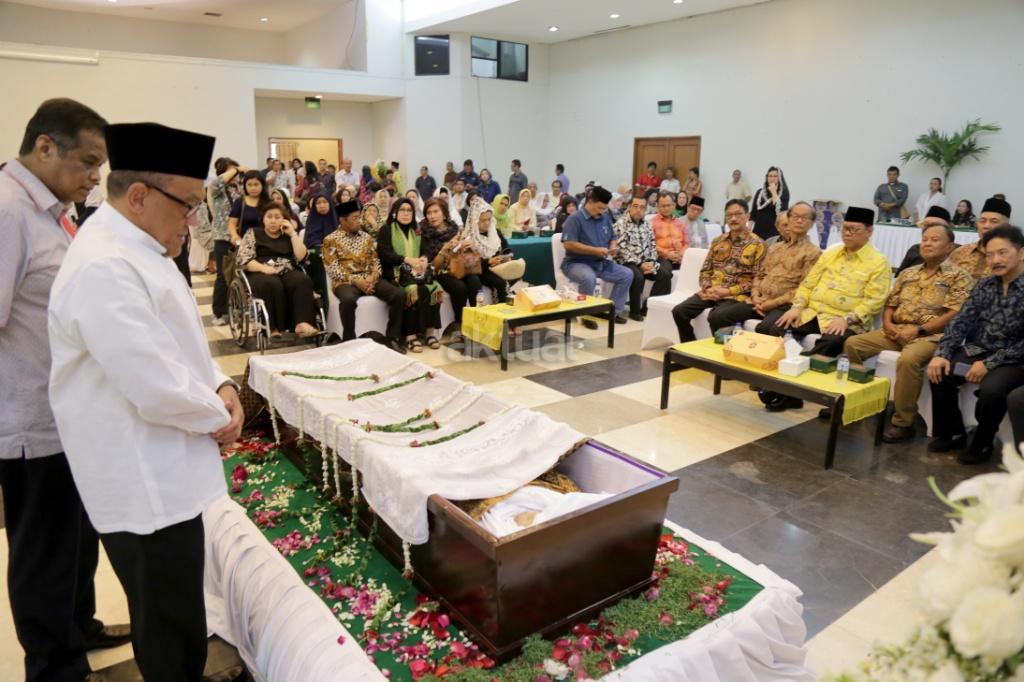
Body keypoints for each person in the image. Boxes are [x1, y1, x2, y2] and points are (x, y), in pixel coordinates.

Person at [48, 122, 244, 681]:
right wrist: (220, 417)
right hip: (144, 484)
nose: (194, 221)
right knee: (168, 633)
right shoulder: (106, 264)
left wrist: (222, 384)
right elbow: (155, 386)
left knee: (177, 615)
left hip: (163, 470)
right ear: (139, 196)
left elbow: (178, 342)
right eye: (187, 206)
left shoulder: (139, 245)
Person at [1, 99, 133, 682]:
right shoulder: (7, 211)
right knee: (44, 552)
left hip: (69, 415)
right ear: (45, 147)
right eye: (88, 161)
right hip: (29, 420)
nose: (96, 177)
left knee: (78, 538)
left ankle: (80, 626)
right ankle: (54, 668)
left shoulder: (52, 211)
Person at [843, 223, 972, 442]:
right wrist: (887, 324)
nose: (927, 243)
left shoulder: (959, 276)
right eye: (924, 239)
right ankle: (857, 401)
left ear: (950, 247)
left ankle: (903, 423)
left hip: (931, 336)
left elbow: (954, 313)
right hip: (897, 331)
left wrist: (919, 330)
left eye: (934, 240)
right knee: (853, 344)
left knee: (909, 360)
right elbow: (890, 304)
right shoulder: (908, 273)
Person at [926, 225, 1024, 464]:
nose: (995, 260)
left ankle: (983, 442)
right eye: (990, 255)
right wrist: (942, 352)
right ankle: (953, 433)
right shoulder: (985, 285)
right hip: (979, 349)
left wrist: (989, 364)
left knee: (992, 391)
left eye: (1002, 253)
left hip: (1014, 359)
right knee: (940, 371)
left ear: (1021, 253)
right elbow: (961, 320)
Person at [769, 205, 890, 363]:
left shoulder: (878, 262)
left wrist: (846, 319)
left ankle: (803, 372)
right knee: (779, 328)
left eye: (854, 229)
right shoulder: (831, 253)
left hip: (846, 320)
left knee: (831, 342)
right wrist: (796, 307)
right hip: (813, 313)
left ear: (869, 232)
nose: (847, 233)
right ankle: (782, 371)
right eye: (845, 228)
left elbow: (874, 301)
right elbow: (807, 284)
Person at [672, 199, 765, 342]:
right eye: (729, 215)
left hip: (736, 295)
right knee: (679, 311)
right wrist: (708, 287)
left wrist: (727, 291)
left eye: (738, 214)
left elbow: (758, 279)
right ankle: (689, 347)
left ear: (747, 216)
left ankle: (723, 351)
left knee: (716, 317)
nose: (733, 218)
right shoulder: (718, 241)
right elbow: (705, 270)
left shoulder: (758, 244)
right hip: (712, 292)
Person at [322, 200, 406, 353]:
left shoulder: (366, 238)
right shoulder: (330, 240)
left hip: (369, 279)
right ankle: (349, 341)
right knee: (348, 300)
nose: (359, 221)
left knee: (398, 294)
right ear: (342, 220)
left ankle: (392, 338)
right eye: (354, 218)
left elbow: (375, 261)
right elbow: (333, 269)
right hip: (346, 282)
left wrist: (373, 277)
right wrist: (356, 281)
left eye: (359, 217)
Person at [237, 203, 320, 338]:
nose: (273, 221)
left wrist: (293, 233)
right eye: (269, 217)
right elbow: (245, 259)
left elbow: (301, 256)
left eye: (277, 217)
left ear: (284, 219)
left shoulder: (287, 234)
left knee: (302, 280)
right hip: (259, 270)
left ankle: (302, 323)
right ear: (263, 219)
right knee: (272, 283)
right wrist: (264, 268)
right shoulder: (253, 233)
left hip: (286, 270)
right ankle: (272, 327)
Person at [377, 197, 444, 352]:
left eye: (409, 210)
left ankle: (429, 333)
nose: (406, 213)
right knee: (413, 290)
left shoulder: (417, 229)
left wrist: (424, 258)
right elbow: (385, 254)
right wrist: (406, 260)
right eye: (402, 210)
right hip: (395, 275)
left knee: (434, 288)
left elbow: (428, 250)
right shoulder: (387, 229)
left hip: (417, 273)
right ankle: (410, 336)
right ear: (395, 212)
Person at [560, 185, 633, 324]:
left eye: (604, 209)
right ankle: (585, 315)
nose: (601, 211)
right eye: (599, 208)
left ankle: (613, 312)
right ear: (590, 202)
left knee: (627, 274)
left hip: (600, 263)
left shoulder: (604, 218)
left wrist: (613, 246)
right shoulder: (574, 219)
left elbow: (612, 237)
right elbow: (568, 244)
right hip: (576, 263)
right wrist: (595, 250)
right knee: (588, 278)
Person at [422, 198, 479, 338]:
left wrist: (465, 245)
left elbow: (465, 252)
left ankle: (477, 319)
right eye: (429, 213)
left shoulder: (455, 229)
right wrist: (444, 249)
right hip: (440, 272)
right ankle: (460, 322)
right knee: (459, 287)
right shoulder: (425, 234)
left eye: (436, 211)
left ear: (444, 213)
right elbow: (433, 267)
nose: (432, 216)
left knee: (475, 281)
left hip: (460, 267)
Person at [614, 194, 673, 321]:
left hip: (645, 262)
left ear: (645, 209)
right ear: (629, 207)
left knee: (665, 275)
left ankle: (648, 309)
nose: (638, 210)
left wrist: (651, 262)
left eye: (642, 207)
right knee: (638, 277)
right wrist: (640, 264)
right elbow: (621, 250)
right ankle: (635, 312)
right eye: (635, 206)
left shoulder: (647, 225)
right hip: (626, 261)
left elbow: (652, 246)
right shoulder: (621, 224)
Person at [208, 157, 245, 326]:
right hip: (223, 237)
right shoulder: (216, 188)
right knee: (223, 276)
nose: (235, 174)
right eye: (231, 170)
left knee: (239, 275)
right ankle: (219, 312)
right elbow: (217, 182)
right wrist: (236, 169)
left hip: (240, 237)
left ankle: (236, 308)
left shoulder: (239, 188)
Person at [949, 197, 1011, 280]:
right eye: (982, 221)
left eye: (994, 221)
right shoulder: (960, 252)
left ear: (1006, 227)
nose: (986, 226)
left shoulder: (1014, 258)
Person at [466, 204, 516, 304]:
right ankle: (501, 307)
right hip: (482, 270)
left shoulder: (495, 232)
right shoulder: (470, 237)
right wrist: (489, 261)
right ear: (475, 220)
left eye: (489, 219)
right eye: (483, 220)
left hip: (498, 267)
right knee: (500, 282)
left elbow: (506, 248)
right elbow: (470, 263)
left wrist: (507, 258)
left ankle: (511, 304)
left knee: (515, 274)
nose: (487, 223)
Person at [895, 206, 953, 274]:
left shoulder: (958, 253)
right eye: (926, 225)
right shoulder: (915, 250)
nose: (929, 229)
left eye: (935, 225)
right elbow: (900, 276)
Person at [227, 169, 269, 244]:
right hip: (244, 243)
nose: (253, 188)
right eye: (249, 185)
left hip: (265, 243)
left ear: (262, 185)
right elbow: (232, 223)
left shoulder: (269, 202)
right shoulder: (239, 202)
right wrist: (234, 235)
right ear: (245, 186)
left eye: (256, 184)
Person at [650, 191, 688, 270]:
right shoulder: (652, 223)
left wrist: (681, 254)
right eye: (663, 206)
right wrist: (667, 254)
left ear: (674, 205)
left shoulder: (681, 223)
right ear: (658, 207)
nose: (666, 208)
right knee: (666, 268)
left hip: (681, 257)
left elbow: (686, 243)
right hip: (662, 257)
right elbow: (651, 245)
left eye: (668, 205)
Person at [750, 166, 790, 240]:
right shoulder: (759, 192)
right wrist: (748, 230)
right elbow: (753, 214)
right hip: (758, 231)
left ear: (780, 178)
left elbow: (781, 213)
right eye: (770, 176)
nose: (772, 178)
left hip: (774, 233)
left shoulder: (784, 193)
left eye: (775, 176)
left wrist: (774, 192)